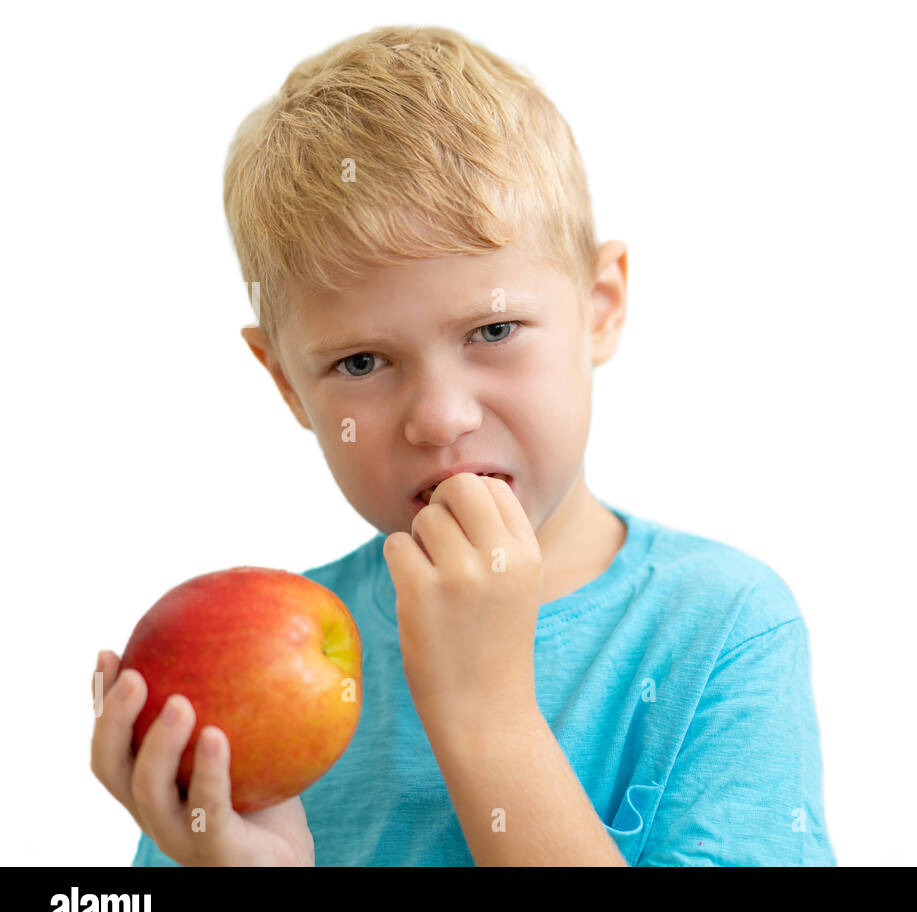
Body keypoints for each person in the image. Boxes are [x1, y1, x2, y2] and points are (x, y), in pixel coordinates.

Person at [90, 24, 834, 866]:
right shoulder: (260, 671)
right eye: (360, 361)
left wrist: (487, 712)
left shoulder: (725, 631)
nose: (439, 417)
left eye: (494, 328)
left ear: (600, 306)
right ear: (287, 383)